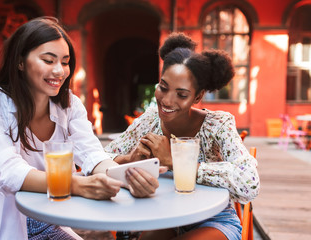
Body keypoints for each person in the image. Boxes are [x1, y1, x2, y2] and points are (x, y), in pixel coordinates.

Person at [0, 17, 159, 240]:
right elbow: (9, 172)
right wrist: (77, 185)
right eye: (49, 60)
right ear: (20, 62)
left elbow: (91, 154)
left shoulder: (69, 104)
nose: (59, 70)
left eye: (65, 62)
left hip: (48, 222)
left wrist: (125, 175)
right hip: (1, 225)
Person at [104, 32, 260, 240]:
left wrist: (175, 161)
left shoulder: (218, 124)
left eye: (181, 94)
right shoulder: (150, 119)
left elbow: (249, 182)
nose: (167, 101)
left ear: (197, 96)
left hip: (213, 220)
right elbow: (102, 157)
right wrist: (129, 160)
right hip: (165, 217)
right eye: (163, 87)